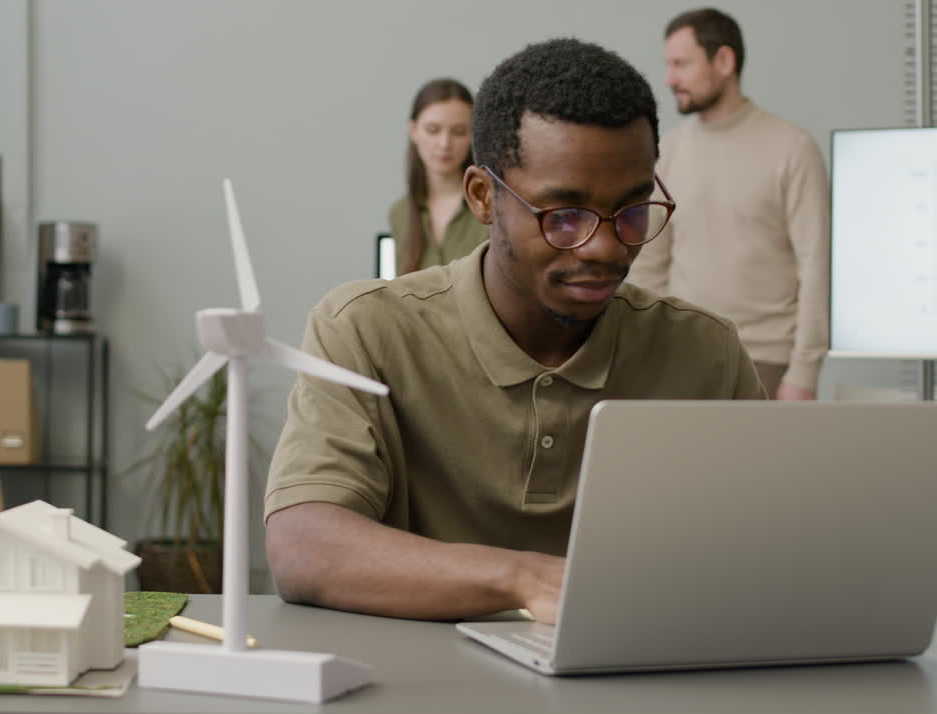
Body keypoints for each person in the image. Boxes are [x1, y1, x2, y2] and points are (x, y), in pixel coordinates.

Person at [264, 38, 764, 625]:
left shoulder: (705, 352)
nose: (604, 246)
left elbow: (770, 550)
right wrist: (528, 579)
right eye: (564, 216)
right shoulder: (364, 331)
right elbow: (303, 547)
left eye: (631, 211)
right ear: (483, 196)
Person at [627, 7, 830, 401]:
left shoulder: (793, 148)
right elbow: (650, 266)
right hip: (683, 358)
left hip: (768, 363)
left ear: (723, 61)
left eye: (681, 64)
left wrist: (804, 371)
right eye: (668, 65)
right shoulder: (666, 152)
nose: (669, 79)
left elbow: (816, 265)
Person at [387, 78, 486, 276]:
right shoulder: (400, 214)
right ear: (413, 131)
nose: (444, 144)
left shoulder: (489, 206)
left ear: (472, 136)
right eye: (433, 130)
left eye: (458, 132)